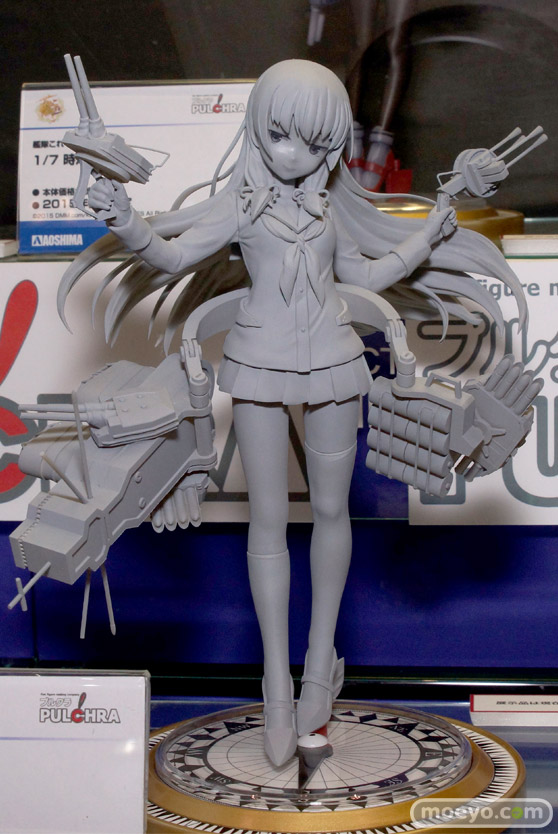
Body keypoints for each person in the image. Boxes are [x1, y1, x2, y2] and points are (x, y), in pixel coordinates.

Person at [59, 59, 526, 767]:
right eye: (280, 135)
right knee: (269, 521)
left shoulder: (330, 207)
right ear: (257, 130)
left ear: (332, 148)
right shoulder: (242, 205)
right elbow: (175, 255)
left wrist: (426, 236)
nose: (294, 154)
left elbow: (364, 276)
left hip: (336, 364)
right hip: (257, 366)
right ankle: (276, 682)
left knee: (333, 513)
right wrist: (124, 219)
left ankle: (318, 663)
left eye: (314, 142)